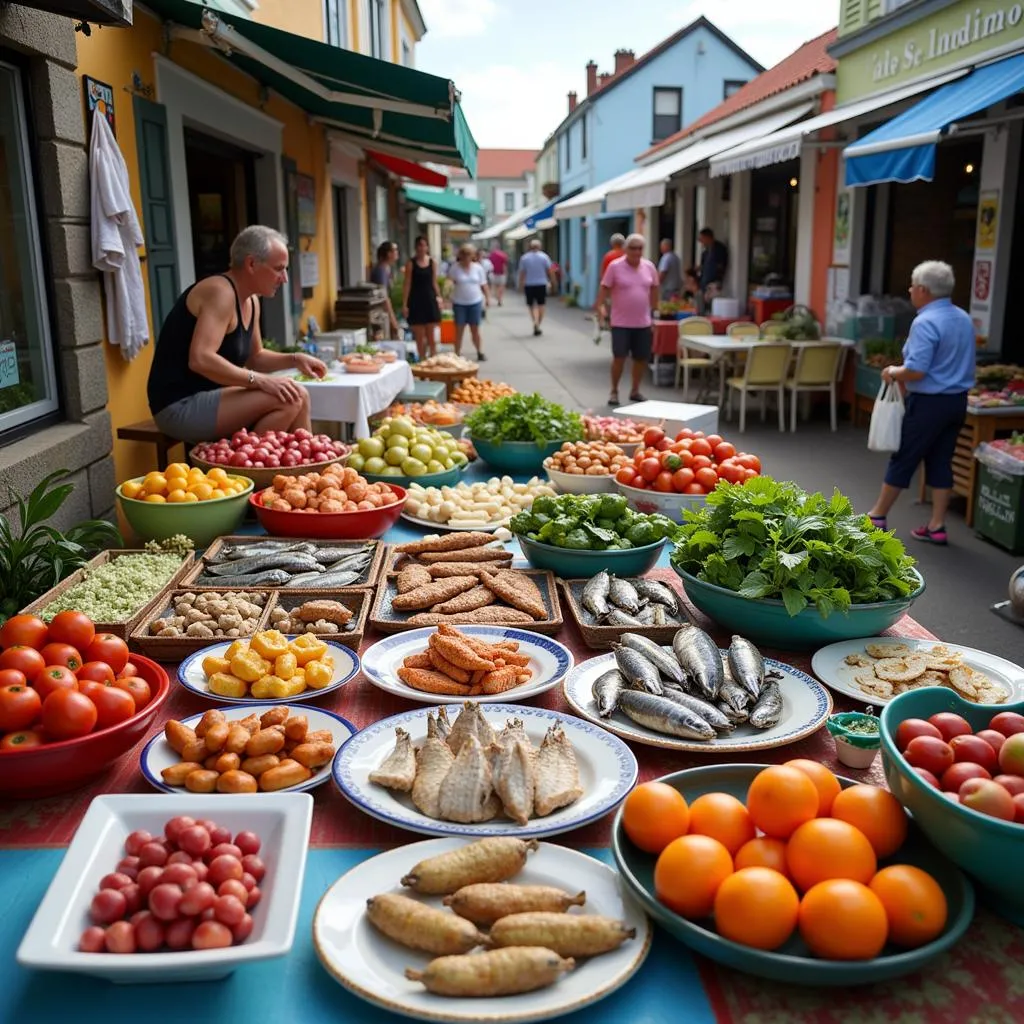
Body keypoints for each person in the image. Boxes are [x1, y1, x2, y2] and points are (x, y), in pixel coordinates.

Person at [147, 225, 324, 445]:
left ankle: (303, 473)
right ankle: (244, 468)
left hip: (213, 399)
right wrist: (261, 381)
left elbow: (255, 357)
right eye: (279, 269)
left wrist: (295, 359)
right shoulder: (221, 292)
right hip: (178, 405)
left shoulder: (251, 300)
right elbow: (201, 359)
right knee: (289, 398)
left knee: (300, 395)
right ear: (251, 264)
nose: (285, 278)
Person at [867, 260, 976, 545]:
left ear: (924, 290)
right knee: (941, 459)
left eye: (913, 286)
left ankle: (877, 515)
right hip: (956, 402)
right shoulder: (963, 318)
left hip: (929, 402)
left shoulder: (926, 321)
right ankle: (937, 525)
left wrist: (892, 371)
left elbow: (917, 370)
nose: (910, 290)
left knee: (904, 456)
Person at [596, 232, 659, 407]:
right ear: (626, 249)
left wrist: (655, 313)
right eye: (633, 248)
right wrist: (601, 308)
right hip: (621, 322)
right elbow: (604, 287)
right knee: (619, 357)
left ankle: (635, 390)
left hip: (643, 322)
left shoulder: (649, 267)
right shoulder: (615, 266)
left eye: (640, 248)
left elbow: (654, 289)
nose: (637, 252)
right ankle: (614, 391)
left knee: (641, 358)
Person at [401, 235, 443, 361]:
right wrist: (405, 304)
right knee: (420, 337)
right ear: (416, 247)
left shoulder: (432, 262)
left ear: (427, 247)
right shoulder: (411, 263)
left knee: (431, 337)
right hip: (416, 301)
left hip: (429, 299)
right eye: (419, 245)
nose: (422, 248)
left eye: (424, 245)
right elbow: (407, 283)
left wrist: (439, 298)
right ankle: (422, 361)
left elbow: (434, 281)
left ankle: (434, 361)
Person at [449, 245, 491, 361]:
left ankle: (479, 351)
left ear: (473, 256)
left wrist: (487, 298)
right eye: (464, 254)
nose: (466, 257)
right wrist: (447, 297)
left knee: (475, 329)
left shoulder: (477, 268)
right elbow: (450, 283)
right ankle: (457, 353)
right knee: (459, 329)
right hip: (459, 302)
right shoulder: (455, 268)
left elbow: (483, 284)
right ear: (460, 256)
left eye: (469, 254)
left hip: (475, 301)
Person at [517, 238, 555, 336]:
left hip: (529, 284)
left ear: (530, 247)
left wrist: (520, 285)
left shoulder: (524, 258)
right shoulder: (544, 257)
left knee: (531, 305)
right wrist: (553, 282)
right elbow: (550, 270)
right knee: (541, 305)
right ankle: (538, 323)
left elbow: (522, 273)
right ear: (539, 247)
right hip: (541, 283)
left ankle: (535, 321)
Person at [370, 240, 400, 337]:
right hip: (380, 314)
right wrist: (393, 321)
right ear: (388, 254)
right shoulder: (381, 271)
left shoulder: (387, 269)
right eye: (394, 250)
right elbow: (384, 297)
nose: (397, 252)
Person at [698, 228, 728, 310]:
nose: (700, 241)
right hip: (704, 282)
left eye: (702, 238)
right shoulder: (705, 252)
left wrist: (717, 281)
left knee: (712, 305)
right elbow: (703, 266)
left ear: (708, 237)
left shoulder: (719, 249)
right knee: (703, 304)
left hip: (714, 283)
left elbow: (721, 266)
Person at [473, 249, 494, 320]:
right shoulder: (473, 264)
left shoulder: (487, 262)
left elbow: (490, 270)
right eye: (478, 255)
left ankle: (483, 311)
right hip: (476, 283)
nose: (479, 257)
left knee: (484, 296)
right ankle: (481, 310)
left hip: (485, 280)